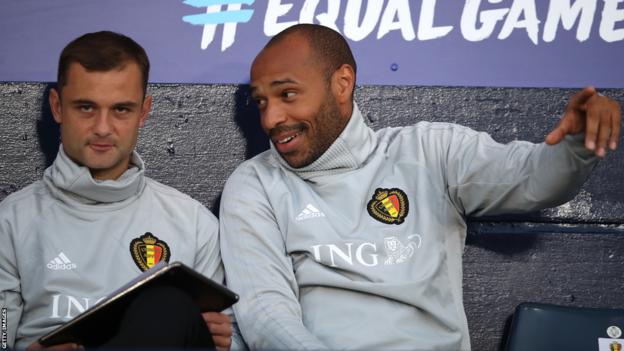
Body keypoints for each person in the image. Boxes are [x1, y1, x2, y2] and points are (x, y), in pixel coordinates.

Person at [218, 24, 621, 350]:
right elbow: (267, 316)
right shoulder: (255, 184)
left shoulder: (429, 150)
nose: (272, 119)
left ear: (341, 84)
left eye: (287, 94)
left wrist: (577, 144)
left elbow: (534, 180)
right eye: (262, 102)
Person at [0, 31, 237, 350]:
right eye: (85, 107)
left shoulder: (193, 224)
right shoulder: (10, 222)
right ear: (57, 107)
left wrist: (220, 342)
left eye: (121, 110)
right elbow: (1, 332)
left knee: (168, 306)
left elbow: (232, 338)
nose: (102, 127)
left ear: (143, 111)